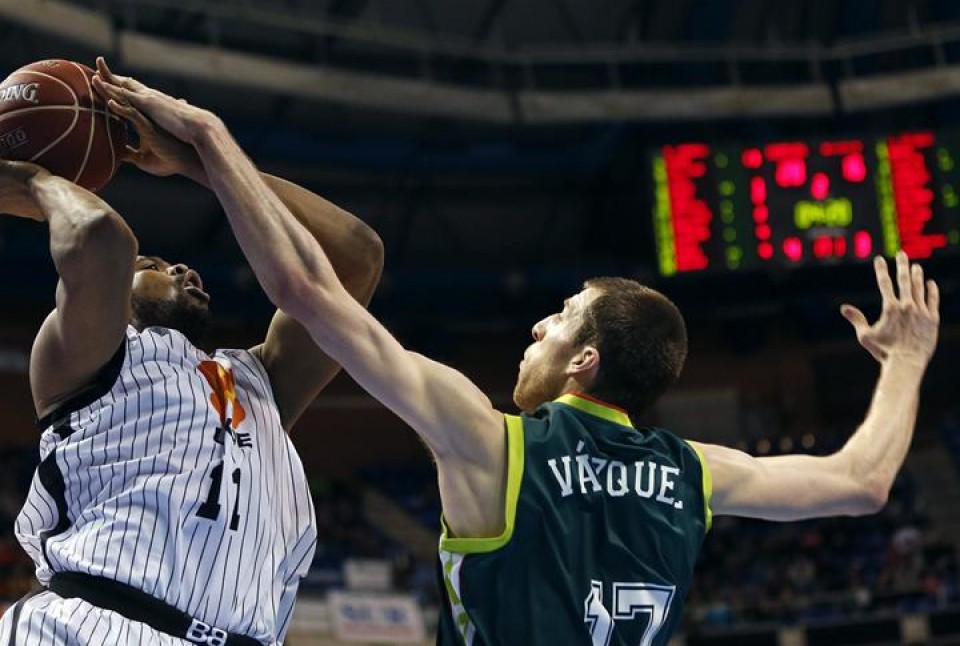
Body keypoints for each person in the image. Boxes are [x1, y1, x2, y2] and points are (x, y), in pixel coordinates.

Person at [93, 63, 940, 646]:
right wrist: (905, 360)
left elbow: (313, 291)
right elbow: (860, 482)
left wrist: (209, 143)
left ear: (586, 364)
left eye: (560, 319)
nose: (537, 328)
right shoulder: (696, 474)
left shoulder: (492, 441)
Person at [0, 58, 383, 645]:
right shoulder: (85, 360)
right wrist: (33, 180)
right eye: (152, 266)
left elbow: (356, 257)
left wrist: (202, 164)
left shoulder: (260, 380)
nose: (179, 266)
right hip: (93, 624)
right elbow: (101, 239)